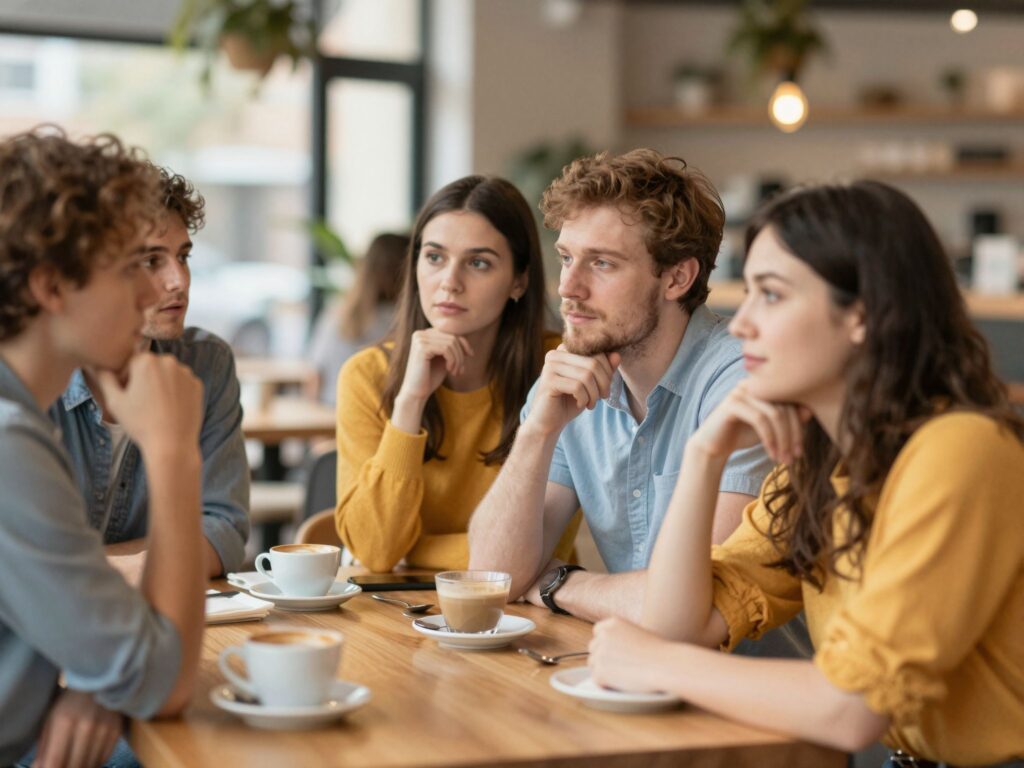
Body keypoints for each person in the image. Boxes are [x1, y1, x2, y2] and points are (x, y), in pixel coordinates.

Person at [587, 181, 1024, 766]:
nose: (740, 325)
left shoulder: (959, 450)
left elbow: (851, 708)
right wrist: (702, 458)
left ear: (861, 316)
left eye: (770, 295)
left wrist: (654, 664)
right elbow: (679, 624)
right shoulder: (819, 466)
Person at [469, 149, 773, 624]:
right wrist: (537, 432)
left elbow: (701, 603)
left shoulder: (741, 382)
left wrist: (558, 583)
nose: (569, 287)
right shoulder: (568, 381)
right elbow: (494, 577)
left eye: (602, 264)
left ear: (677, 277)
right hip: (634, 676)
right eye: (567, 258)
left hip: (749, 688)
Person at [0, 129, 206, 766]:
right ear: (51, 287)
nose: (153, 294)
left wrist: (103, 680)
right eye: (128, 269)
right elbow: (163, 683)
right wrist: (173, 455)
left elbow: (125, 661)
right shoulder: (9, 444)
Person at [334, 175, 579, 572]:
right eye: (434, 257)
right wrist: (409, 402)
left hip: (526, 611)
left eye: (478, 263)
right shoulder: (367, 375)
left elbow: (536, 554)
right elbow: (376, 552)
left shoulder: (559, 369)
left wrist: (414, 552)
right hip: (394, 615)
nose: (449, 282)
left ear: (519, 280)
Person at [50, 167, 250, 581]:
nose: (179, 281)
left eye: (183, 256)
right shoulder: (31, 377)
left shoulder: (206, 364)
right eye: (151, 260)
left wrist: (87, 571)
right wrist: (167, 556)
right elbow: (25, 567)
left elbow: (223, 531)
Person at [308, 232, 409, 405]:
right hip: (381, 418)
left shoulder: (337, 314)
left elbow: (315, 377)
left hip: (330, 413)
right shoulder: (407, 321)